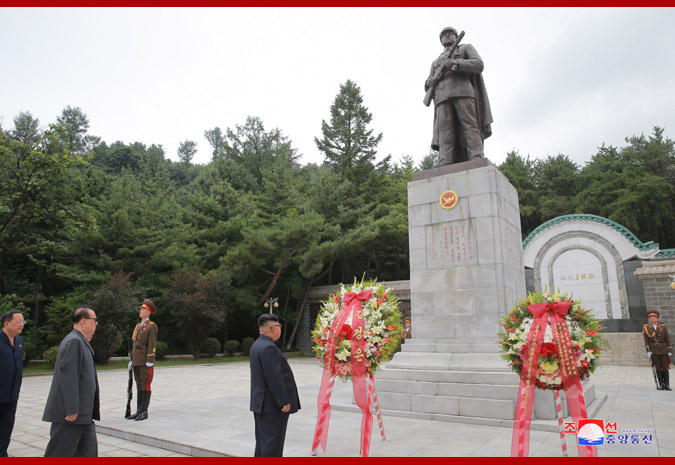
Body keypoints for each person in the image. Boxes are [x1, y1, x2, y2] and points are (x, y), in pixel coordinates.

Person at [425, 26, 493, 166]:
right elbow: (428, 82)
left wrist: (456, 63)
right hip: (441, 96)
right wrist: (428, 82)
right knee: (445, 131)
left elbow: (478, 64)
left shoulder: (465, 48)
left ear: (456, 37)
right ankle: (445, 160)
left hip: (462, 90)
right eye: (444, 35)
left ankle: (476, 156)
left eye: (450, 34)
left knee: (469, 125)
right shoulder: (435, 62)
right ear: (441, 40)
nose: (448, 36)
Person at [43, 306, 100, 457]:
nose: (96, 324)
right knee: (60, 452)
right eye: (94, 321)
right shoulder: (74, 341)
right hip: (72, 415)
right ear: (83, 322)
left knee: (88, 451)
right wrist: (72, 409)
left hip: (84, 413)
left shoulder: (81, 341)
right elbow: (69, 377)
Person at [249, 314, 300, 457]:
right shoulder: (268, 348)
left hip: (261, 403)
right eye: (279, 327)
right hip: (272, 406)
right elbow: (274, 378)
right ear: (273, 328)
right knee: (273, 446)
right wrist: (283, 401)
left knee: (263, 444)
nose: (280, 330)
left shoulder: (257, 345)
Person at [127, 299, 158, 421]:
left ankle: (144, 411)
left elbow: (151, 343)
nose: (141, 311)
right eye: (141, 309)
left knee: (145, 384)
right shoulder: (138, 326)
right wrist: (132, 358)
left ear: (149, 312)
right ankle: (139, 410)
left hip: (145, 359)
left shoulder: (151, 326)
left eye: (144, 309)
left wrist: (150, 358)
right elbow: (135, 343)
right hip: (137, 359)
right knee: (139, 384)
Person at [0, 310, 25, 457]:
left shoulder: (19, 342)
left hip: (12, 395)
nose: (21, 325)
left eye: (22, 322)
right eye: (18, 321)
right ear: (6, 323)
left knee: (6, 428)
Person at [643, 309, 672, 391]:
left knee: (665, 367)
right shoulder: (647, 328)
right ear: (649, 319)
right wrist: (648, 351)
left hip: (663, 348)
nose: (653, 319)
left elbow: (667, 338)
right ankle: (661, 384)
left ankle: (667, 384)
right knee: (658, 367)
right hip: (654, 349)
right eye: (651, 317)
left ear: (657, 318)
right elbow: (646, 340)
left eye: (655, 317)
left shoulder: (663, 327)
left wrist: (669, 350)